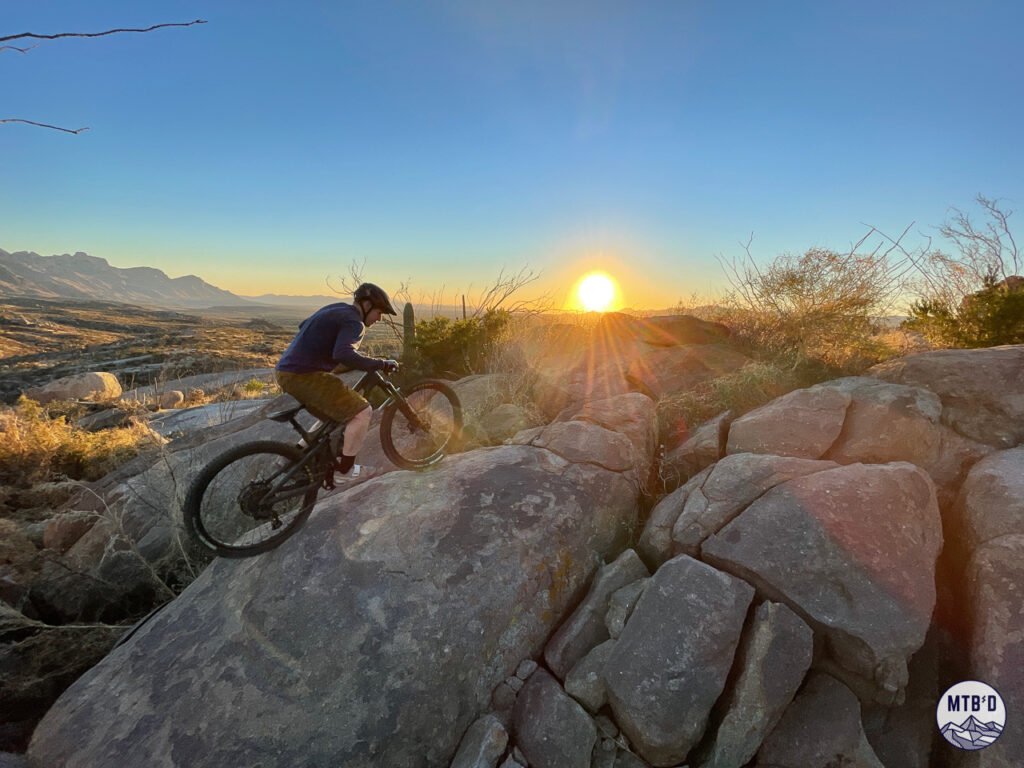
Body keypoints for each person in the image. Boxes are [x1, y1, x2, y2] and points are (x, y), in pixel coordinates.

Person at [275, 282, 399, 477]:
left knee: (334, 414)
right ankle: (345, 471)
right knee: (362, 412)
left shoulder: (335, 308)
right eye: (379, 312)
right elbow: (343, 354)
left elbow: (304, 325)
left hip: (286, 371)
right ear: (367, 306)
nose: (379, 318)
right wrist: (381, 363)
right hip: (304, 375)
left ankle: (292, 457)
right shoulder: (355, 323)